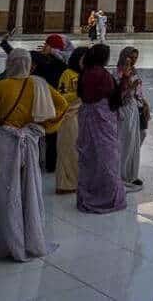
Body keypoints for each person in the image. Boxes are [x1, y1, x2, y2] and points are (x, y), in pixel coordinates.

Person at [0, 48, 66, 262]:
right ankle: (28, 239)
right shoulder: (38, 85)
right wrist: (44, 126)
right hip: (28, 144)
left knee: (4, 194)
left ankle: (2, 244)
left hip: (3, 146)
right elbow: (62, 105)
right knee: (27, 193)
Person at [0, 33, 70, 172]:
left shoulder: (39, 59)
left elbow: (19, 57)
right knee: (50, 136)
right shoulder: (60, 63)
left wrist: (5, 45)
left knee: (34, 133)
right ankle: (50, 165)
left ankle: (31, 163)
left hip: (34, 101)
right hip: (51, 101)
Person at [76, 44, 127, 214]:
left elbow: (82, 95)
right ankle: (106, 199)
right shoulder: (103, 75)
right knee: (108, 159)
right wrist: (124, 81)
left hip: (87, 119)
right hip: (103, 120)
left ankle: (88, 196)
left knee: (90, 159)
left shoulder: (85, 73)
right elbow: (115, 100)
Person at [55, 47, 87, 194]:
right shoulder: (67, 74)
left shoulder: (86, 75)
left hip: (83, 117)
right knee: (68, 150)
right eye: (83, 59)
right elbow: (60, 97)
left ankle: (79, 181)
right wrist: (78, 94)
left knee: (80, 151)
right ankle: (66, 183)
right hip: (69, 117)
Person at [115, 46, 148, 189]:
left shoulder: (133, 72)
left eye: (135, 58)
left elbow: (138, 92)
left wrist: (145, 103)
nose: (134, 61)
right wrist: (130, 87)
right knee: (125, 143)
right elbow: (117, 95)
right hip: (124, 111)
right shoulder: (117, 73)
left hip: (135, 108)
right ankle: (121, 175)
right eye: (130, 58)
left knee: (135, 143)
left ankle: (132, 174)